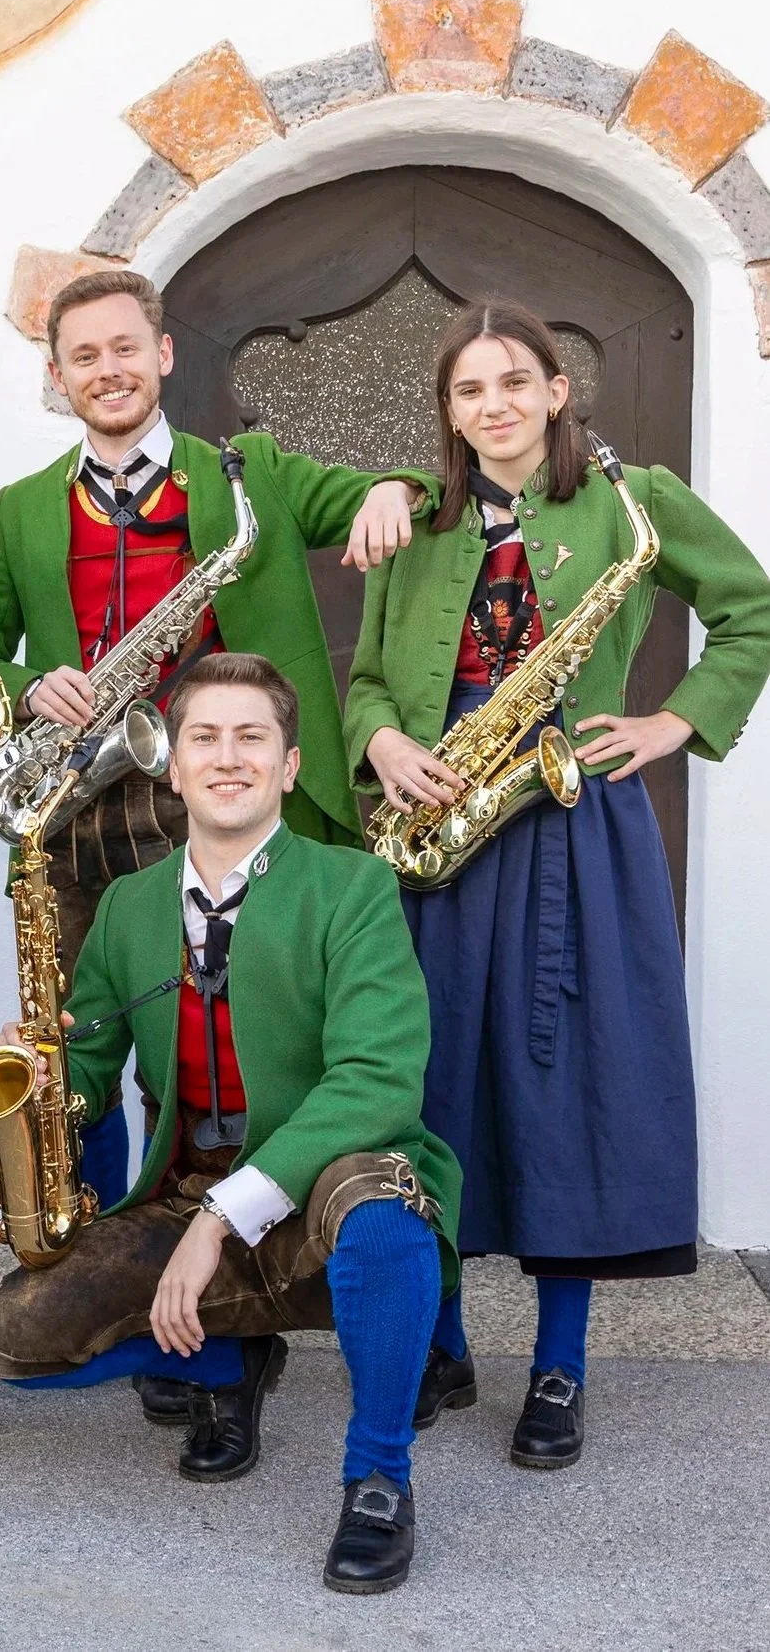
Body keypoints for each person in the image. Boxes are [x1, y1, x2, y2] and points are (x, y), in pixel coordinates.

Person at [0, 268, 427, 1422]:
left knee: (246, 1045)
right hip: (78, 808)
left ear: (163, 355)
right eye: (83, 357)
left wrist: (394, 490)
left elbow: (378, 486)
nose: (106, 371)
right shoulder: (22, 506)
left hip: (212, 795)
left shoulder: (245, 472)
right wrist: (23, 686)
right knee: (81, 1057)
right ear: (56, 377)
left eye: (126, 349)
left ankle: (235, 1302)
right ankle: (140, 1282)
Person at [345, 299, 770, 1471]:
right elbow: (371, 679)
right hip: (439, 827)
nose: (492, 405)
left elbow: (753, 610)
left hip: (578, 825)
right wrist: (380, 744)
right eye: (467, 389)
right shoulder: (421, 518)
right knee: (424, 1081)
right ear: (447, 410)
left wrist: (672, 720)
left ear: (554, 390)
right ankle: (436, 1342)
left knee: (571, 1087)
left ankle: (557, 1363)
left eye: (512, 382)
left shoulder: (636, 501)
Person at [0, 653, 461, 1595]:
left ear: (287, 766)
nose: (226, 758)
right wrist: (42, 1075)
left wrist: (218, 1220)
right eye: (204, 737)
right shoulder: (121, 906)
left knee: (383, 1214)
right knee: (16, 1340)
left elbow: (379, 1081)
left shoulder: (352, 887)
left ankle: (378, 1478)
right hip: (191, 1183)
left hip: (323, 1181)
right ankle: (233, 1357)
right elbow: (92, 1067)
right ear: (172, 764)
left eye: (251, 738)